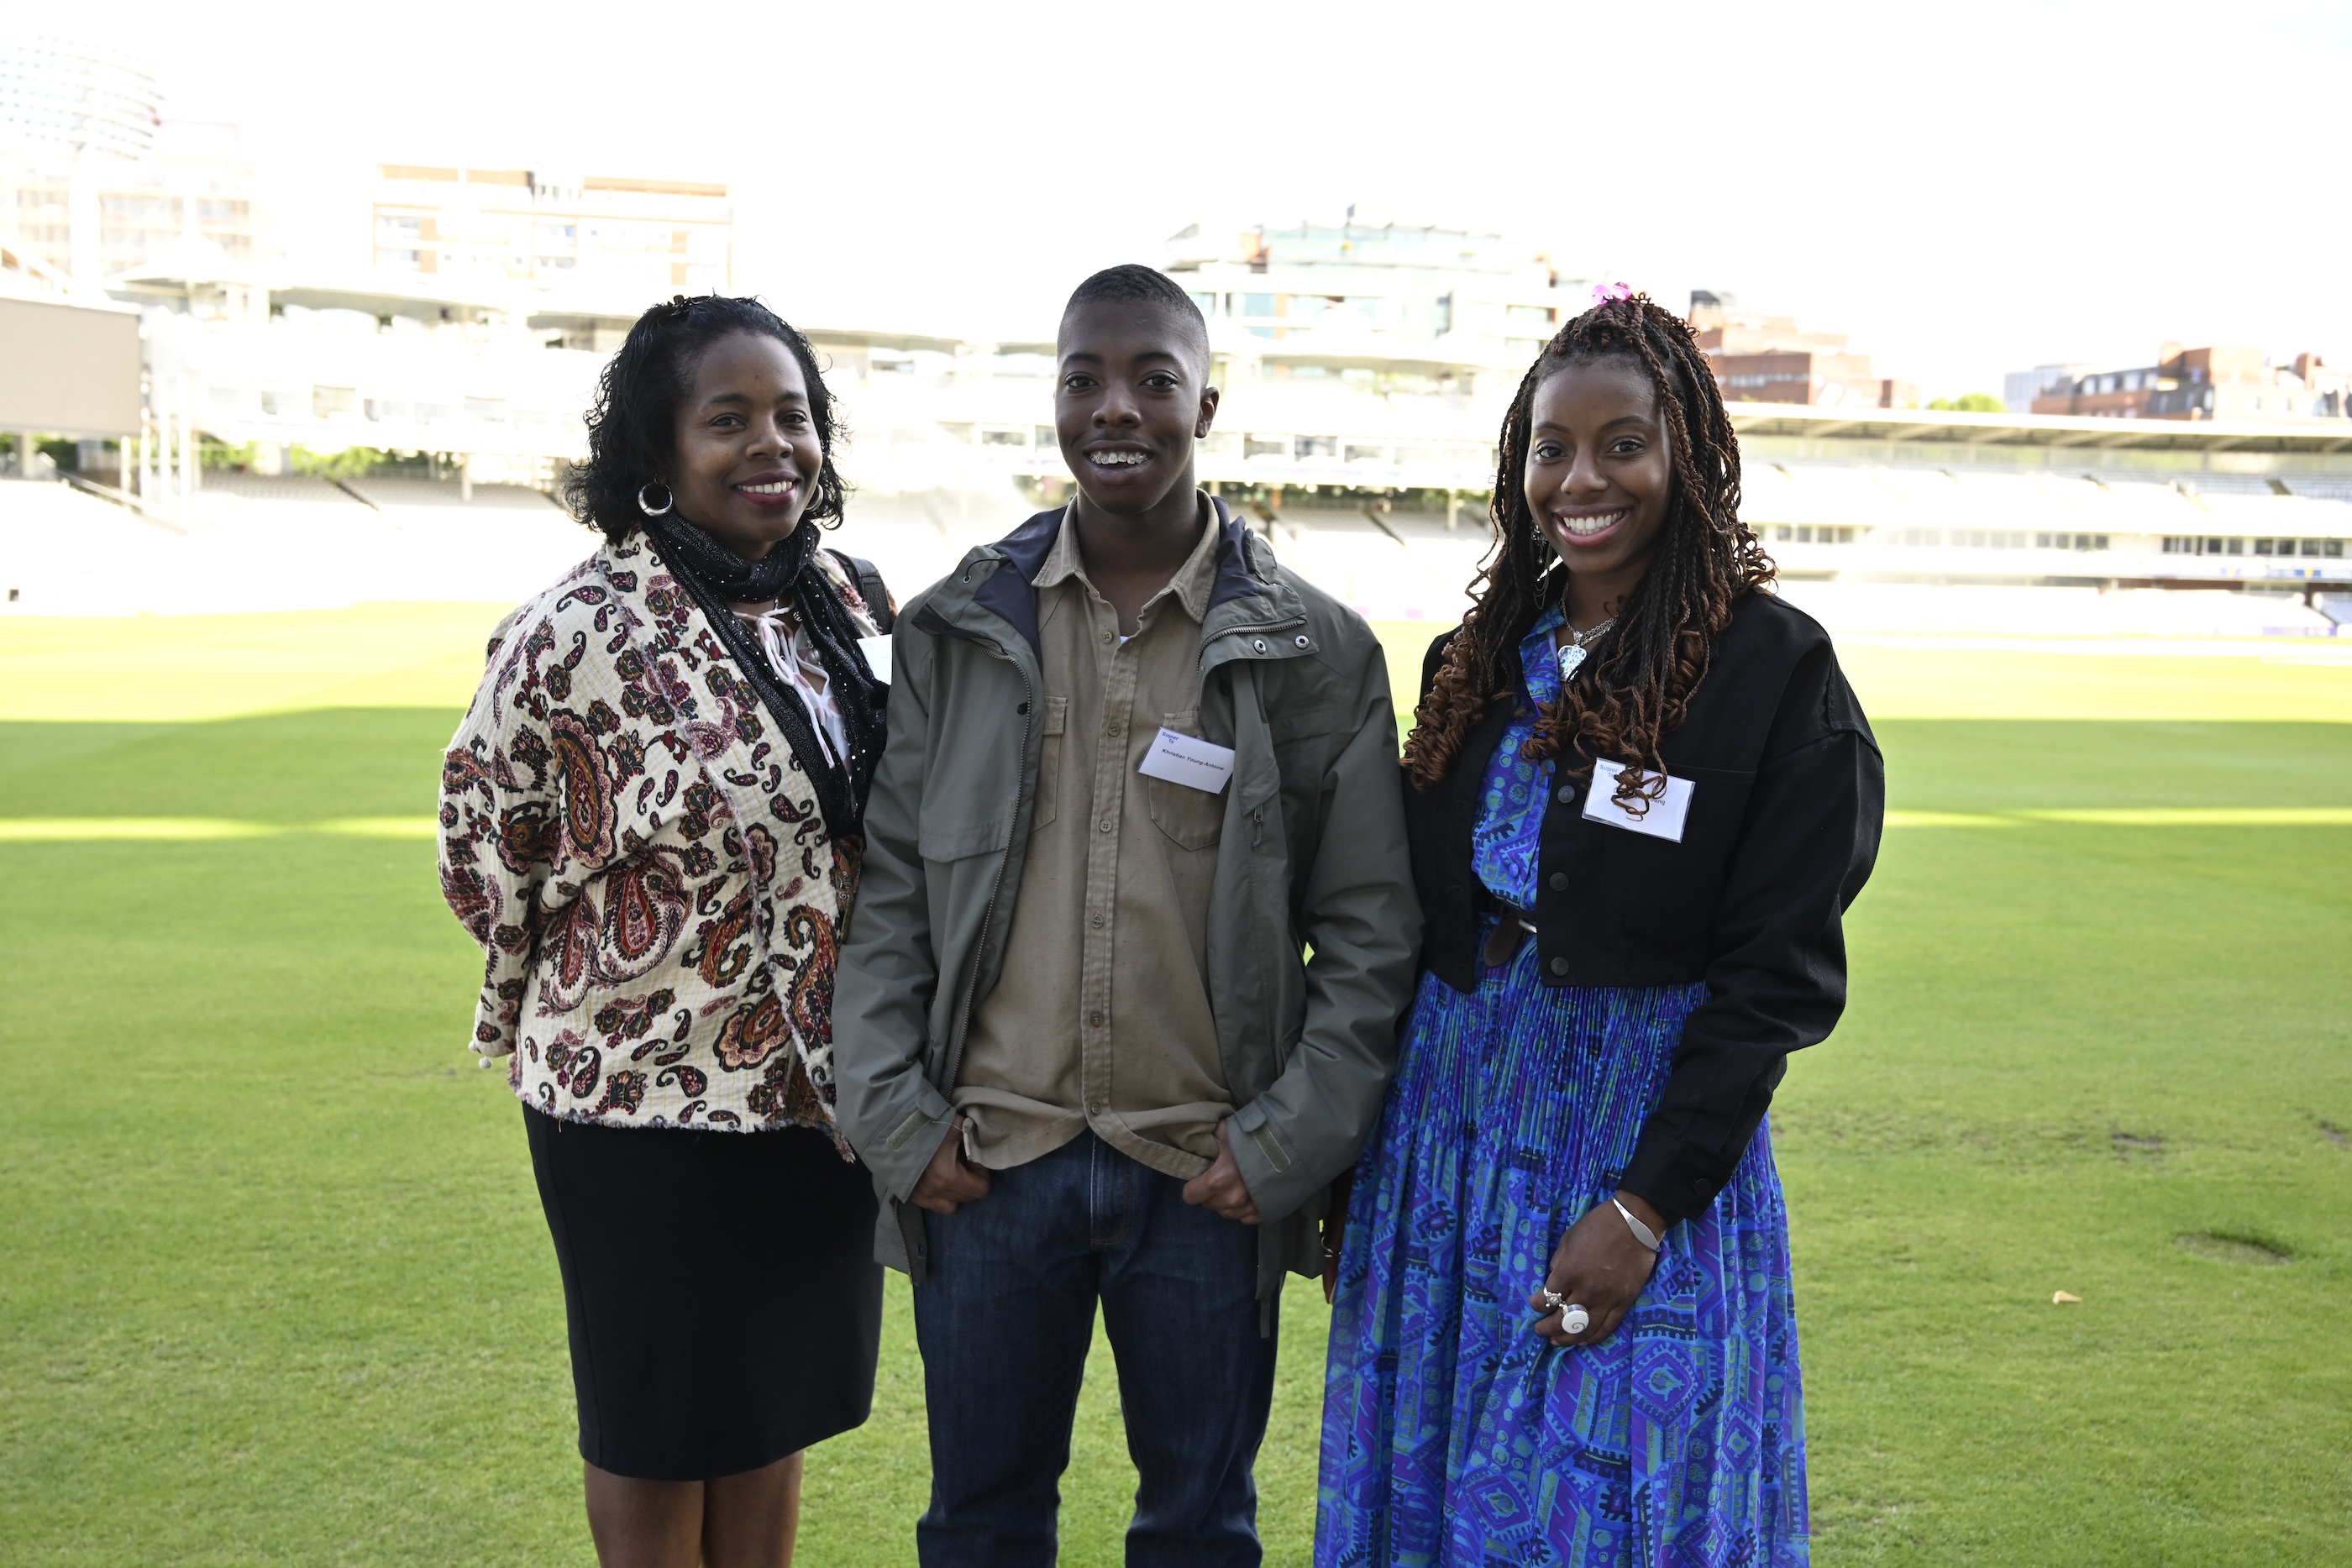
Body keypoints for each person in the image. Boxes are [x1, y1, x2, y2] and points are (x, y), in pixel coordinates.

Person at [832, 265, 1422, 1566]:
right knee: (980, 1529)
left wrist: (1284, 1148)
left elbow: (1372, 936)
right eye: (1085, 379)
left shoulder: (1316, 651)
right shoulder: (955, 628)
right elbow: (889, 901)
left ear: (1206, 399)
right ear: (1052, 400)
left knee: (1200, 1533)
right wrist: (895, 1123)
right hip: (987, 1164)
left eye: (1154, 378)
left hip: (1207, 1173)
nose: (1119, 408)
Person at [1317, 288, 1885, 1566]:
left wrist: (1643, 1206)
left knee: (1608, 1498)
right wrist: (1358, 1168)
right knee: (1435, 1480)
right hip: (1446, 1146)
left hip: (1634, 1152)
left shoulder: (1775, 674)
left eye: (1622, 442)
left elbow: (1775, 982)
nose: (1584, 478)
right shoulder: (1480, 659)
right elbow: (1414, 929)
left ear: (1685, 453)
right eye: (1550, 447)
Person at [438, 295, 893, 1568]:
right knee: (655, 1425)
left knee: (768, 1410)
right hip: (638, 1103)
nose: (774, 446)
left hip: (815, 1098)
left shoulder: (847, 600)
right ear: (655, 451)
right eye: (729, 419)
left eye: (795, 417)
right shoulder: (576, 631)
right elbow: (484, 853)